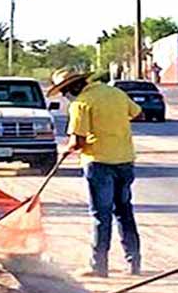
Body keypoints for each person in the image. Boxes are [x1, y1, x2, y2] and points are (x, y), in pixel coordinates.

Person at [47, 67, 143, 276]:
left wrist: (68, 148)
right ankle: (134, 262)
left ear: (73, 87)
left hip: (99, 163)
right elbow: (136, 113)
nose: (65, 96)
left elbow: (78, 141)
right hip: (125, 161)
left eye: (65, 91)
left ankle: (99, 266)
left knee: (101, 214)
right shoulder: (116, 93)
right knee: (124, 212)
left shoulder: (81, 104)